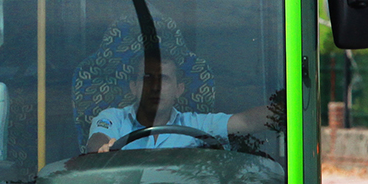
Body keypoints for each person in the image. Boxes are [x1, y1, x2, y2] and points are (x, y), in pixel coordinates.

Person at [83, 64, 269, 154]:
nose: (155, 87)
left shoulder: (197, 124)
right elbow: (97, 141)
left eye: (164, 79)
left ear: (179, 90)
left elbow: (246, 121)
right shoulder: (113, 117)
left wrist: (289, 109)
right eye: (148, 78)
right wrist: (101, 149)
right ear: (133, 87)